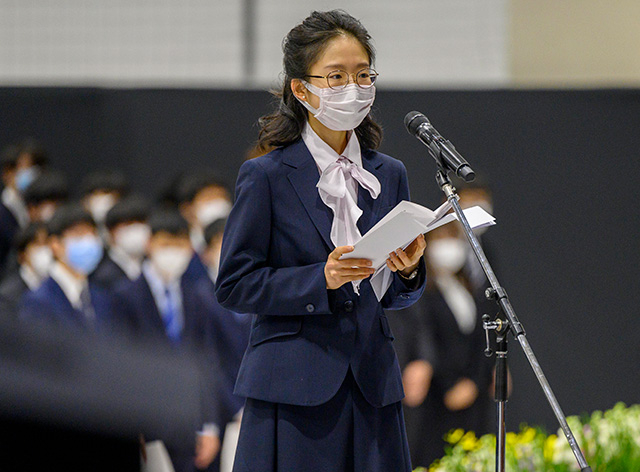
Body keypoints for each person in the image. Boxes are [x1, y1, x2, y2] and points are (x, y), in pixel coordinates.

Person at [215, 10, 427, 472]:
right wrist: (321, 278)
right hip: (293, 389)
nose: (353, 87)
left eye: (363, 74)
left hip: (372, 383)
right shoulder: (266, 175)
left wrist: (408, 269)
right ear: (300, 88)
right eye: (336, 76)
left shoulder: (389, 173)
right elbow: (234, 284)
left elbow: (392, 292)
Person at [112, 209, 223, 472]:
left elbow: (206, 359)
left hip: (192, 425)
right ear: (150, 244)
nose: (172, 253)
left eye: (180, 245)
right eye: (165, 245)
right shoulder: (124, 296)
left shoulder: (197, 297)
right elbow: (121, 364)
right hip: (148, 423)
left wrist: (209, 424)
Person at [396, 222, 496, 468]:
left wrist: (476, 379)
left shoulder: (468, 289)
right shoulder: (422, 293)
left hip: (474, 396)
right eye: (441, 239)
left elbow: (478, 339)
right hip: (440, 398)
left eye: (453, 238)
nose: (449, 246)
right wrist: (450, 385)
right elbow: (428, 340)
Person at [18, 203, 117, 334]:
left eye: (92, 234)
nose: (88, 242)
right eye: (78, 235)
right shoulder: (38, 302)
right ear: (55, 244)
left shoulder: (100, 297)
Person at [90, 195, 151, 290]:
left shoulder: (151, 268)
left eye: (140, 223)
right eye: (128, 224)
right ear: (111, 232)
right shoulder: (100, 276)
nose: (135, 229)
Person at [0, 222, 52, 319]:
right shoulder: (8, 296)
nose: (44, 250)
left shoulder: (55, 287)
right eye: (37, 244)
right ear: (22, 255)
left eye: (46, 243)